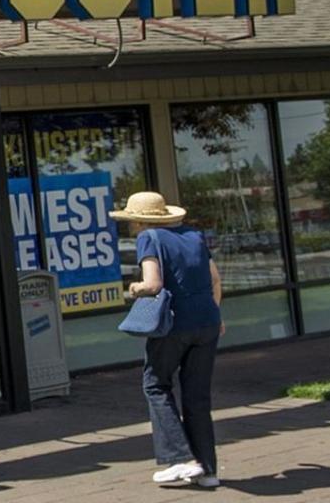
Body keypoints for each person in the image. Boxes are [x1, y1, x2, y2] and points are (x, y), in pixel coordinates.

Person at [113, 191, 224, 489]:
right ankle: (209, 471)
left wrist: (135, 288)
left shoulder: (149, 239)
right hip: (208, 322)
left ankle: (180, 458)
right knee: (197, 398)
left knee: (156, 384)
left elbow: (153, 284)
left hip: (174, 325)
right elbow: (215, 279)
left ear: (138, 221)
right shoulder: (194, 236)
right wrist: (216, 313)